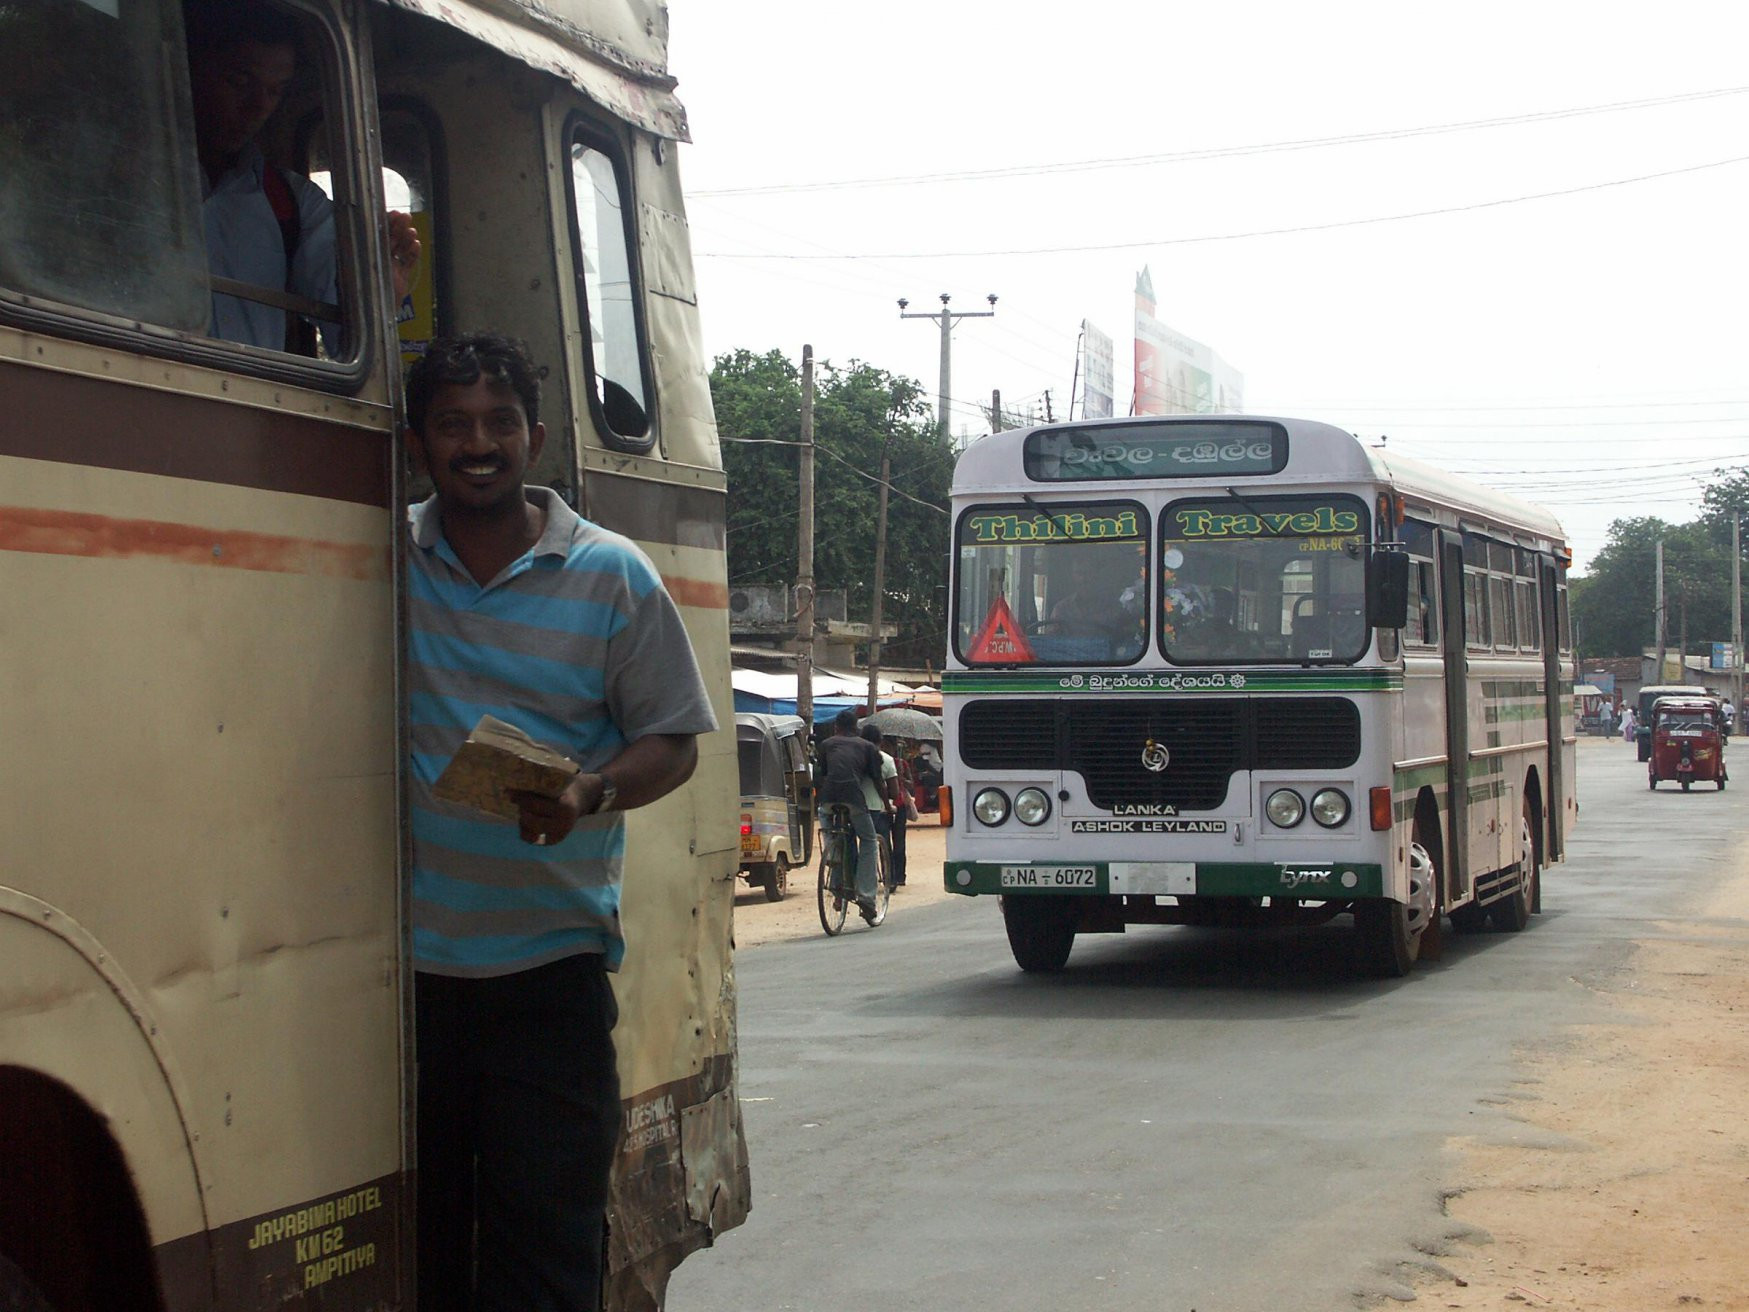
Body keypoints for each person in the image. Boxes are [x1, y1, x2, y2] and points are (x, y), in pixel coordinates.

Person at [403, 333, 717, 1312]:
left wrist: (591, 791)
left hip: (550, 986)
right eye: (453, 425)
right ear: (421, 444)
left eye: (499, 423)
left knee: (545, 1265)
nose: (479, 443)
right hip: (405, 995)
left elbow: (674, 739)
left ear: (536, 437)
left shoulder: (612, 574)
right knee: (428, 1262)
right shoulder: (381, 559)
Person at [185, 0, 421, 352]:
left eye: (275, 91)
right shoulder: (120, 175)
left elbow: (351, 321)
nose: (258, 107)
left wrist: (381, 283)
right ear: (187, 67)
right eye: (239, 81)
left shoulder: (291, 203)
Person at [816, 708, 884, 921]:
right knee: (869, 841)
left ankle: (832, 851)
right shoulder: (867, 747)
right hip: (853, 798)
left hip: (827, 799)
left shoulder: (826, 744)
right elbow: (877, 779)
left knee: (828, 824)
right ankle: (866, 896)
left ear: (836, 727)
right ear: (857, 728)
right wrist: (887, 805)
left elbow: (824, 772)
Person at [859, 724, 907, 890]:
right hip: (878, 810)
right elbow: (894, 792)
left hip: (855, 807)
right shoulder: (886, 760)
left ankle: (850, 880)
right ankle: (890, 879)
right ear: (880, 741)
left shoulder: (854, 757)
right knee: (883, 844)